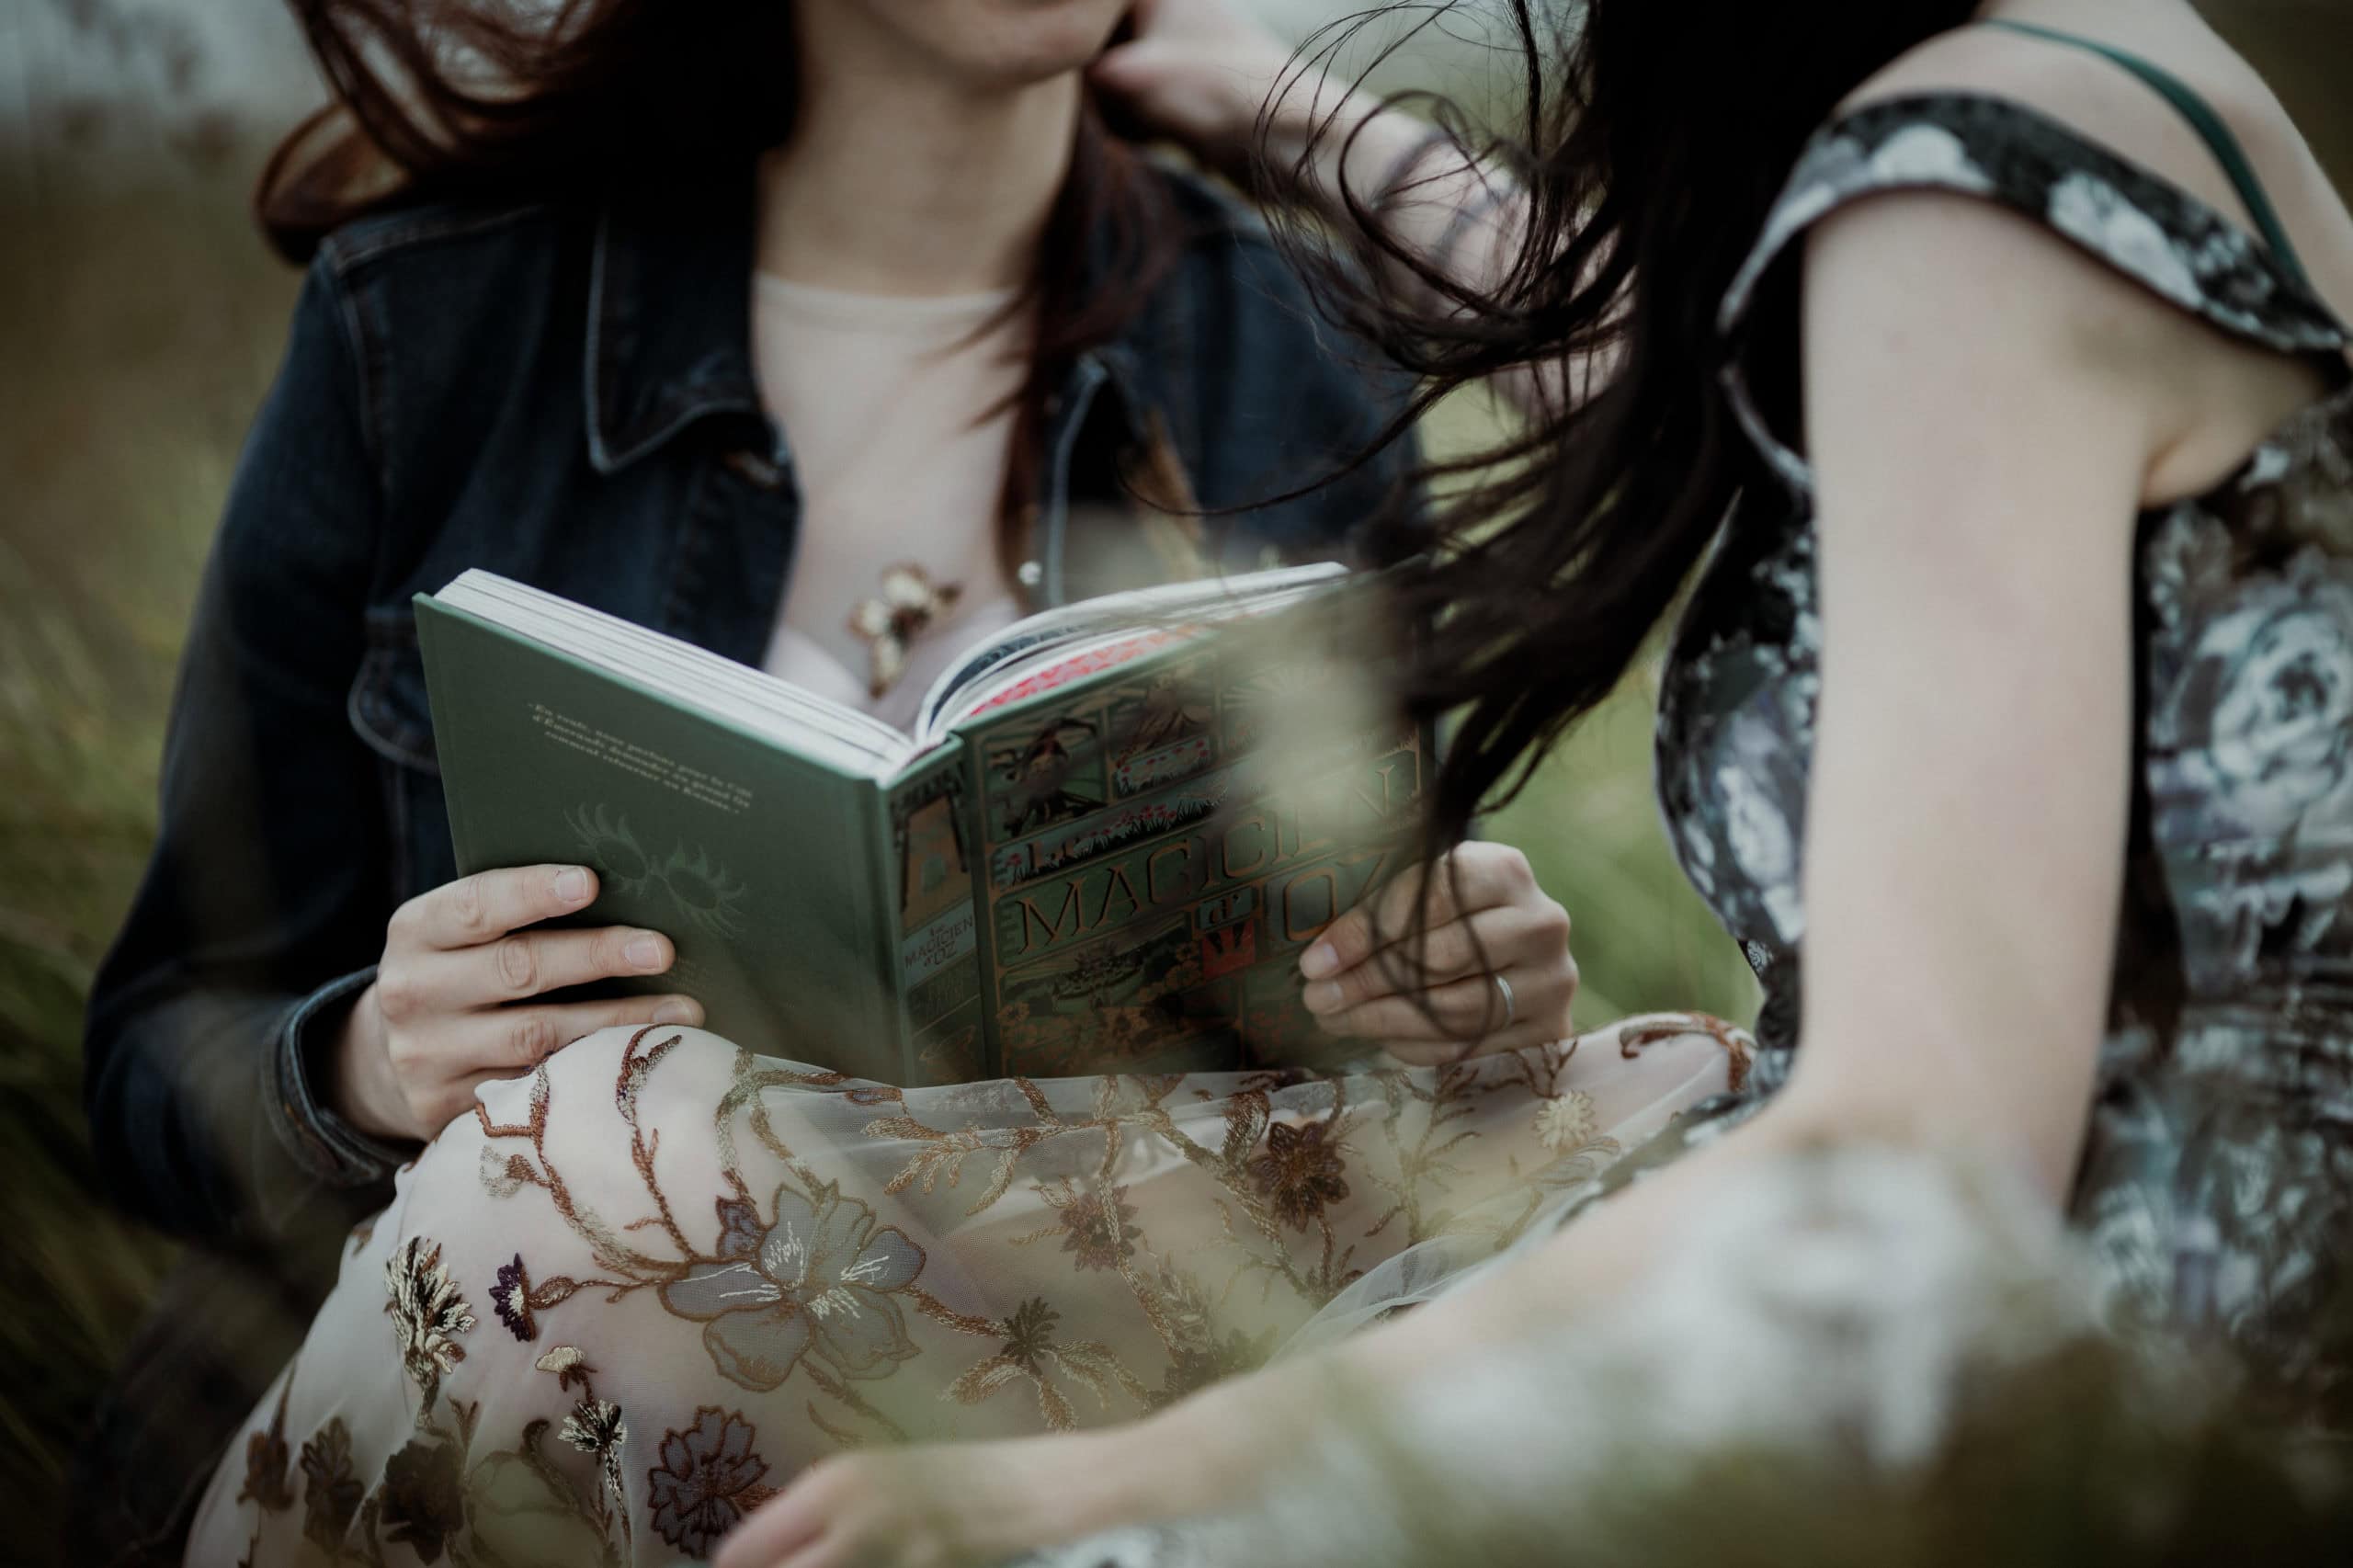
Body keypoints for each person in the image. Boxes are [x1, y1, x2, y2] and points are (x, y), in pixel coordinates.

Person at [630, 0, 2347, 1561]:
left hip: (2077, 1406)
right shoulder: (2119, 92)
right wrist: (1294, 113)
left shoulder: (1960, 222)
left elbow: (1910, 1175)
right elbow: (1684, 390)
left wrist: (1125, 1479)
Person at [77, 0, 1665, 1560]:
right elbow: (157, 1051)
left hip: (1084, 1394)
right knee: (620, 1151)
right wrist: (359, 1064)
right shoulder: (430, 328)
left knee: (1697, 1119)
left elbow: (1735, 419)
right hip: (545, 1387)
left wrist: (1459, 1003)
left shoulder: (1287, 341)